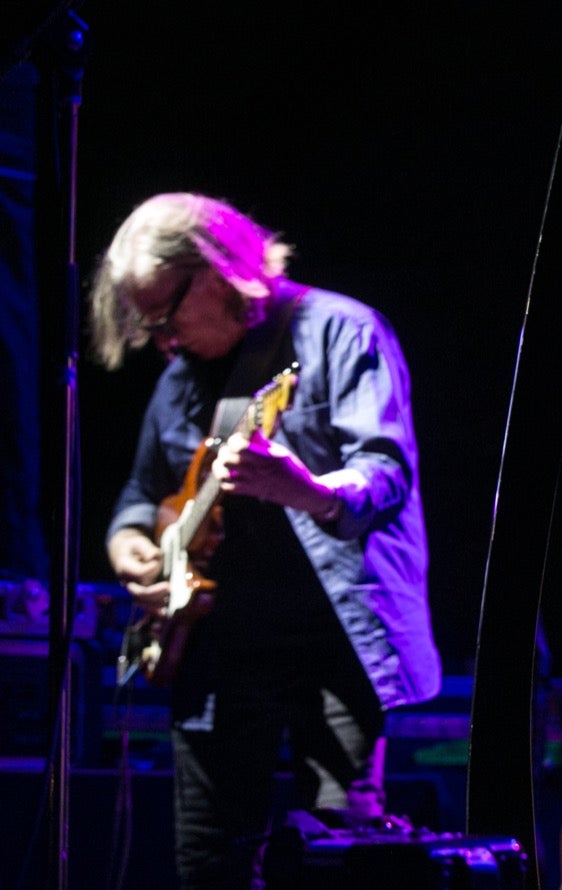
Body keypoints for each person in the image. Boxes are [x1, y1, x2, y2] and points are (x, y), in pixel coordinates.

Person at [92, 192, 440, 888]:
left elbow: (387, 471)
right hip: (216, 653)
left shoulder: (342, 331)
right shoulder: (178, 378)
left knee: (344, 858)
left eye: (165, 315)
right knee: (210, 861)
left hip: (334, 647)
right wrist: (131, 546)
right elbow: (138, 496)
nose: (161, 339)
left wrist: (304, 488)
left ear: (219, 272)